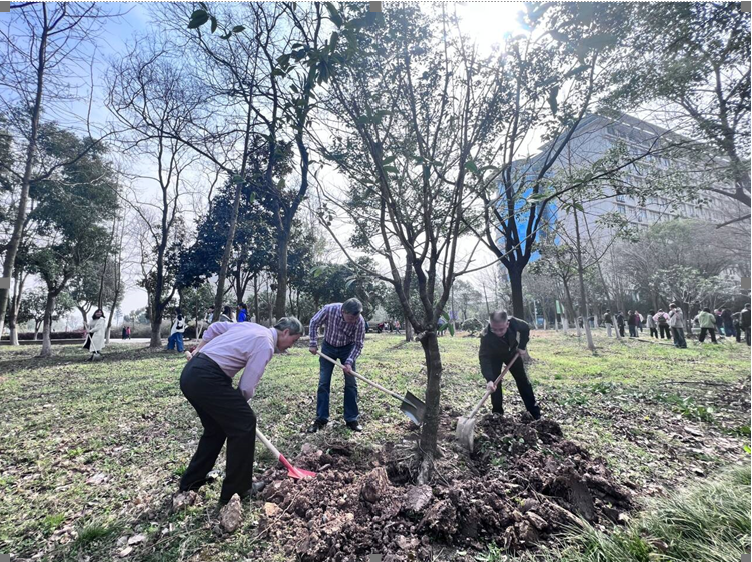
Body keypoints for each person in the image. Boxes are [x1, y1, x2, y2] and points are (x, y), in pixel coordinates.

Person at [178, 317, 303, 504]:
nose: (291, 346)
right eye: (293, 340)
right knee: (245, 422)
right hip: (207, 378)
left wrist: (199, 349)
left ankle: (191, 482)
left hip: (191, 373)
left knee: (216, 429)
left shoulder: (251, 327)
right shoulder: (266, 344)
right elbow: (246, 386)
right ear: (285, 332)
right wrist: (238, 408)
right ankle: (237, 489)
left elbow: (215, 327)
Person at [307, 298, 367, 433]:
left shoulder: (359, 321)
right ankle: (321, 418)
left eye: (355, 318)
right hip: (328, 347)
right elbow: (314, 322)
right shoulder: (329, 309)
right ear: (343, 311)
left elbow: (358, 344)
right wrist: (313, 343)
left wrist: (349, 362)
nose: (353, 321)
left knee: (351, 383)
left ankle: (351, 419)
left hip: (347, 348)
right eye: (350, 318)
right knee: (323, 382)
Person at [479, 310, 541, 420]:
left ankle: (534, 413)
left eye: (501, 329)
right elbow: (484, 358)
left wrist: (522, 346)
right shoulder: (486, 335)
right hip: (494, 357)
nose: (498, 332)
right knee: (495, 384)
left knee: (523, 380)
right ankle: (497, 413)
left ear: (507, 324)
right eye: (494, 329)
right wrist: (489, 379)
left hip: (511, 354)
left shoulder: (514, 322)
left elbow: (525, 328)